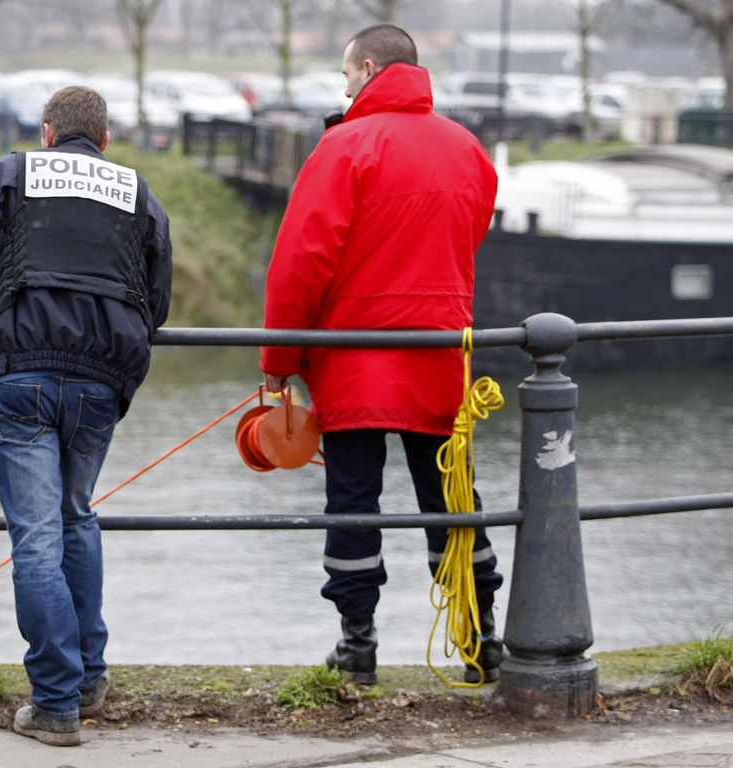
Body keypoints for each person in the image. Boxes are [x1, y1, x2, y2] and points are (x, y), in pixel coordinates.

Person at [0, 85, 173, 746]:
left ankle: (54, 702)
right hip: (102, 381)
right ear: (103, 142)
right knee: (76, 515)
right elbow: (156, 299)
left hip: (21, 375)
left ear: (47, 133)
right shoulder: (137, 194)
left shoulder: (11, 173)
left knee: (36, 536)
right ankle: (87, 682)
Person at [259, 24, 503, 686]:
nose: (343, 88)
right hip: (440, 352)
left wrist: (278, 360)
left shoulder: (344, 148)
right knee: (453, 499)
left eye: (345, 76)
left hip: (353, 356)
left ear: (368, 68)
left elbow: (300, 265)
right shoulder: (467, 148)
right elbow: (470, 231)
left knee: (353, 503)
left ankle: (358, 648)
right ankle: (482, 644)